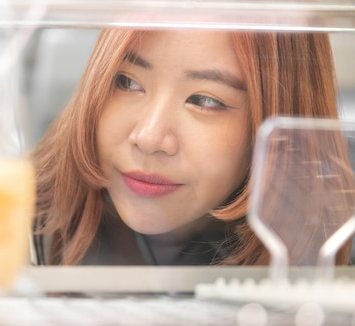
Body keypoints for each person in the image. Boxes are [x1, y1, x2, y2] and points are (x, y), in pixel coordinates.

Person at [31, 29, 352, 266]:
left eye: (205, 100)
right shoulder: (18, 221)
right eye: (127, 81)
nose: (149, 138)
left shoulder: (334, 242)